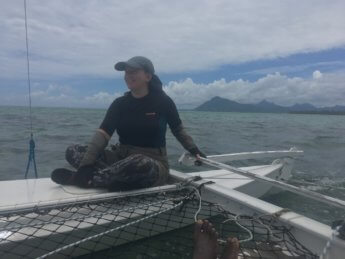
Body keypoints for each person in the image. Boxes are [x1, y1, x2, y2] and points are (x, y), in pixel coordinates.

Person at [51, 56, 205, 191]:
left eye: (133, 72)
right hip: (120, 158)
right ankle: (110, 179)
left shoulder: (164, 102)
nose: (128, 76)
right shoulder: (120, 104)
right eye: (126, 72)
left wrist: (193, 149)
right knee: (73, 151)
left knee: (140, 163)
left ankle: (85, 179)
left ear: (148, 76)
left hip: (153, 163)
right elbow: (103, 134)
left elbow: (178, 130)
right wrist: (85, 165)